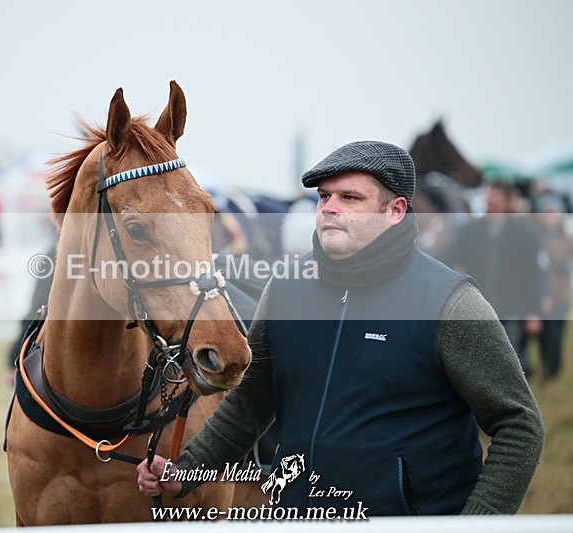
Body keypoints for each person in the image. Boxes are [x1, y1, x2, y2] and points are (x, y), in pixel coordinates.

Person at [137, 141, 544, 515]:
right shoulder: (283, 290)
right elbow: (249, 406)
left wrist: (475, 525)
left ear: (395, 211)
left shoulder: (448, 303)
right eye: (324, 197)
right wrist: (185, 473)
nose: (330, 208)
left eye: (350, 198)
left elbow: (519, 426)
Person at [444, 182, 546, 377]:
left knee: (510, 360)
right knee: (479, 361)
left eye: (496, 195)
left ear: (508, 200)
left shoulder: (523, 233)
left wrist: (535, 310)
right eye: (489, 195)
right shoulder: (471, 230)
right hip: (479, 306)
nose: (491, 199)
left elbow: (534, 273)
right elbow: (448, 256)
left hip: (512, 308)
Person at [537, 195, 573, 380]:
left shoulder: (566, 238)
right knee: (544, 333)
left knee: (556, 333)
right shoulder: (537, 236)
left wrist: (560, 262)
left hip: (561, 294)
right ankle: (547, 368)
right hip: (542, 294)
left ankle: (554, 369)